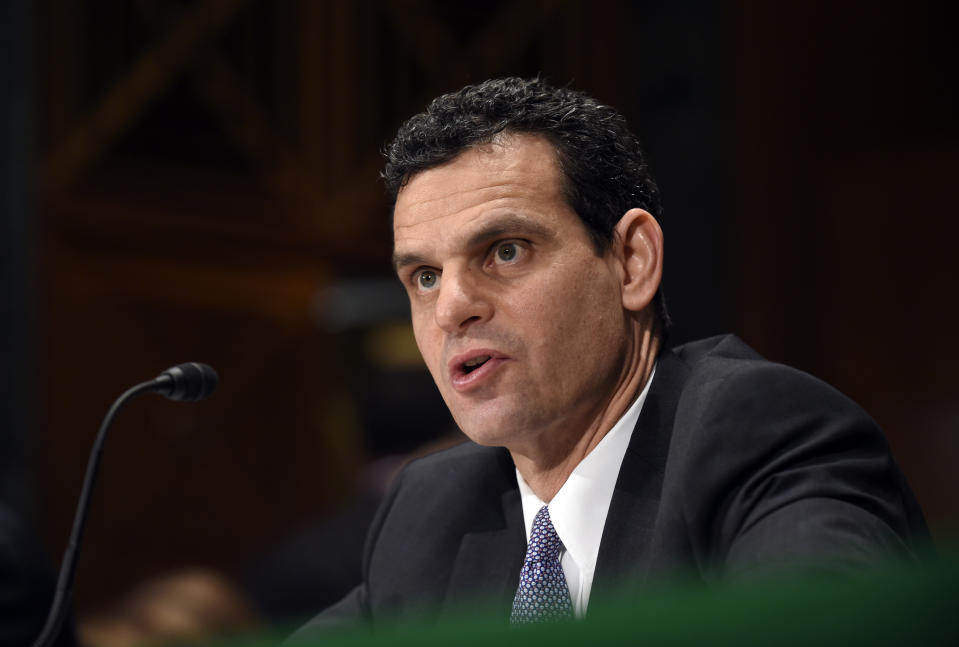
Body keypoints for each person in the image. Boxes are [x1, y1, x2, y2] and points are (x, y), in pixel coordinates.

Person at [291, 77, 928, 636]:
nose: (452, 307)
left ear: (632, 262)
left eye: (506, 251)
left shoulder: (759, 433)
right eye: (425, 276)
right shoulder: (433, 508)